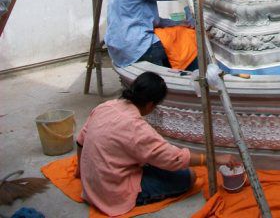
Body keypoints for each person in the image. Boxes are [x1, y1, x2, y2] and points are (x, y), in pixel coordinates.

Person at [76, 72, 235, 216]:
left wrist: (81, 172)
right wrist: (211, 159)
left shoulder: (106, 106)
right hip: (112, 191)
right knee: (189, 177)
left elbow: (80, 141)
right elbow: (173, 158)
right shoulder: (137, 128)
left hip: (92, 182)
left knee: (156, 163)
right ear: (151, 104)